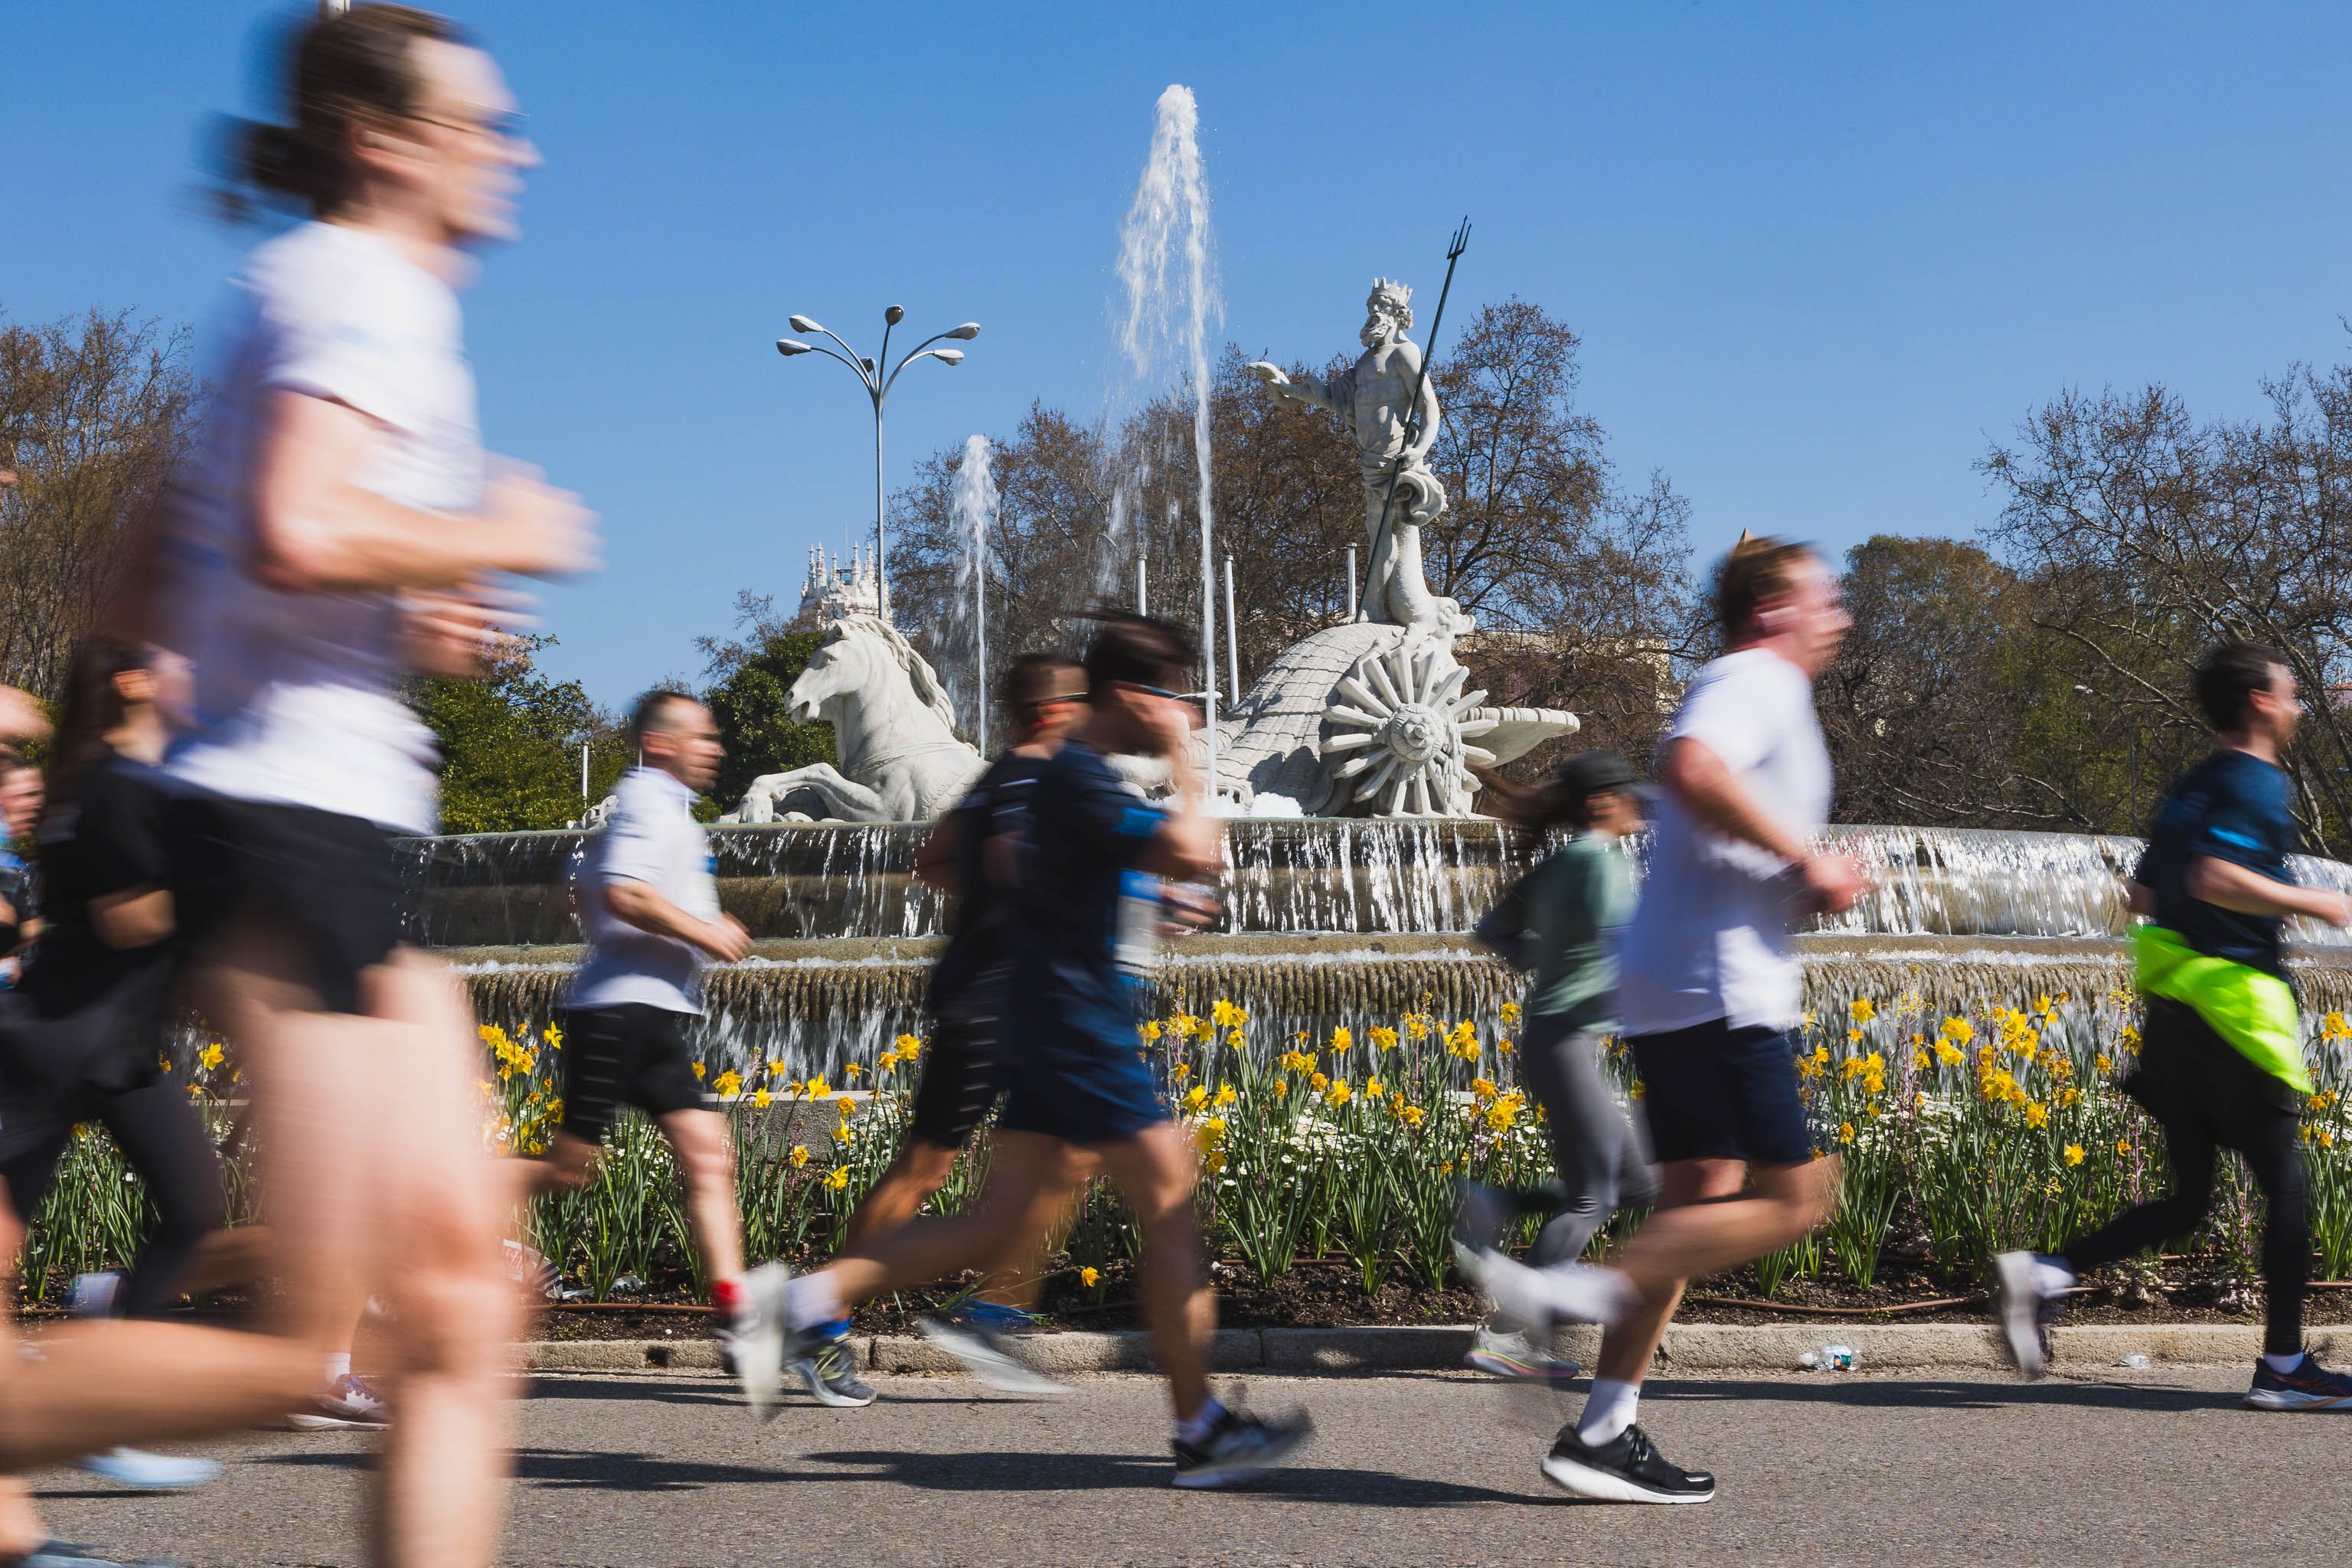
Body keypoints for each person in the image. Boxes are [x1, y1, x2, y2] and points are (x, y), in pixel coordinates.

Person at [0, 10, 597, 1567]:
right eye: (483, 124)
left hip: (320, 825)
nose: (517, 152)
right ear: (382, 141)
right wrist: (500, 531)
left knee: (461, 1307)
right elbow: (297, 526)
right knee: (301, 1349)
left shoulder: (312, 295)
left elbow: (151, 569)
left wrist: (404, 618)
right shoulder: (362, 288)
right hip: (290, 836)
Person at [775, 615, 1313, 1487]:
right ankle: (1201, 1429)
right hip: (1081, 1028)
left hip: (1045, 1022)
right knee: (1170, 1206)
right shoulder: (1074, 775)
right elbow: (1195, 851)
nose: (1182, 710)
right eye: (1172, 695)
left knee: (999, 1226)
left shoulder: (1062, 778)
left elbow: (1035, 870)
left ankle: (808, 1299)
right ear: (1132, 695)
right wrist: (1187, 758)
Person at [1457, 536, 1864, 1504]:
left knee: (1695, 1201)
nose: (1840, 616)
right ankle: (1555, 1290)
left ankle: (1603, 1429)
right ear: (1772, 612)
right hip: (1722, 993)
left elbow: (1715, 838)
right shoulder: (1759, 679)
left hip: (1678, 984)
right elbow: (1692, 766)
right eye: (1826, 598)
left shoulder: (1750, 687)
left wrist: (1796, 885)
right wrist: (1807, 859)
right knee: (1800, 1199)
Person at [1993, 641, 2352, 1407]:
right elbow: (2212, 877)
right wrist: (2314, 901)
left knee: (2190, 1199)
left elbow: (2144, 895)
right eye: (2290, 692)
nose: (2297, 705)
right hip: (2233, 1016)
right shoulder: (2256, 781)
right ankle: (2284, 1367)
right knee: (2287, 1193)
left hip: (2173, 1016)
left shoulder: (2193, 784)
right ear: (2259, 702)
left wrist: (2235, 902)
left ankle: (2049, 1270)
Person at [0, 640, 227, 1491]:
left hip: (118, 1046)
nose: (194, 671)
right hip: (60, 1043)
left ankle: (95, 1391)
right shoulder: (111, 783)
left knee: (196, 1213)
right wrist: (229, 881)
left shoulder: (120, 780)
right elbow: (127, 919)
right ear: (134, 682)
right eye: (177, 660)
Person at [529, 691, 792, 1410]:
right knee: (565, 1170)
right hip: (615, 1014)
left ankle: (736, 1320)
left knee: (708, 1157)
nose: (716, 749)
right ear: (659, 742)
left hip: (655, 1015)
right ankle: (428, 1207)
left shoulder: (665, 809)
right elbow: (625, 893)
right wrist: (705, 931)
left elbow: (584, 888)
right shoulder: (646, 801)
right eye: (702, 737)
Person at [844, 652, 1089, 1396]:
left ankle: (991, 1310)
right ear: (1053, 710)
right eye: (1082, 699)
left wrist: (986, 901)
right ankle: (822, 1313)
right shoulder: (1032, 780)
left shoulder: (1002, 774)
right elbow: (999, 860)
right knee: (931, 1167)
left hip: (995, 996)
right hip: (995, 1001)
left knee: (1059, 1154)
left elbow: (932, 859)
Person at [1455, 750, 1657, 1384]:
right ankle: (1509, 1336)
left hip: (1556, 1039)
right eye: (1629, 795)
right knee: (1597, 1196)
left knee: (1635, 1185)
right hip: (1566, 1042)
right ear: (1601, 803)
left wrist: (1554, 963)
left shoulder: (1559, 864)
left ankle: (1498, 1203)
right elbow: (1630, 951)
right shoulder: (1599, 863)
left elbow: (1493, 932)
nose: (1639, 806)